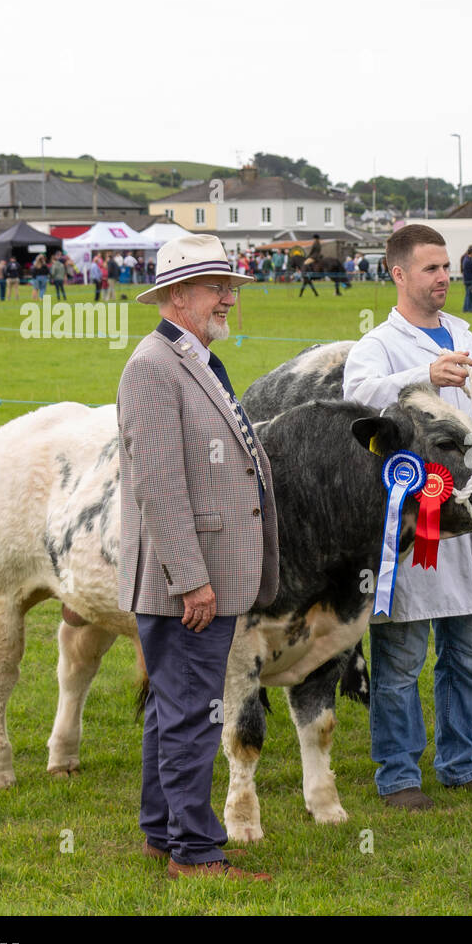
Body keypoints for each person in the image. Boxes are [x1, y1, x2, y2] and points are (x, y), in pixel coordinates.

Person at [344, 223, 472, 810]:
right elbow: (359, 399)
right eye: (430, 268)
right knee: (399, 665)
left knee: (467, 661)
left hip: (471, 525)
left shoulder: (467, 336)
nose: (445, 277)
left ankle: (463, 764)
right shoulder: (378, 345)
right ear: (398, 275)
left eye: (447, 266)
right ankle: (398, 777)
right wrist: (421, 376)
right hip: (413, 526)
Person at [118, 233, 275, 880]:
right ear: (179, 295)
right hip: (185, 581)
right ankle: (195, 849)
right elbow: (158, 485)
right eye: (218, 287)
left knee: (172, 708)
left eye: (230, 287)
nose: (230, 298)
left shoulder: (196, 358)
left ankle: (163, 833)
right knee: (191, 713)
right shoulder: (153, 366)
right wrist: (192, 580)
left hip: (201, 574)